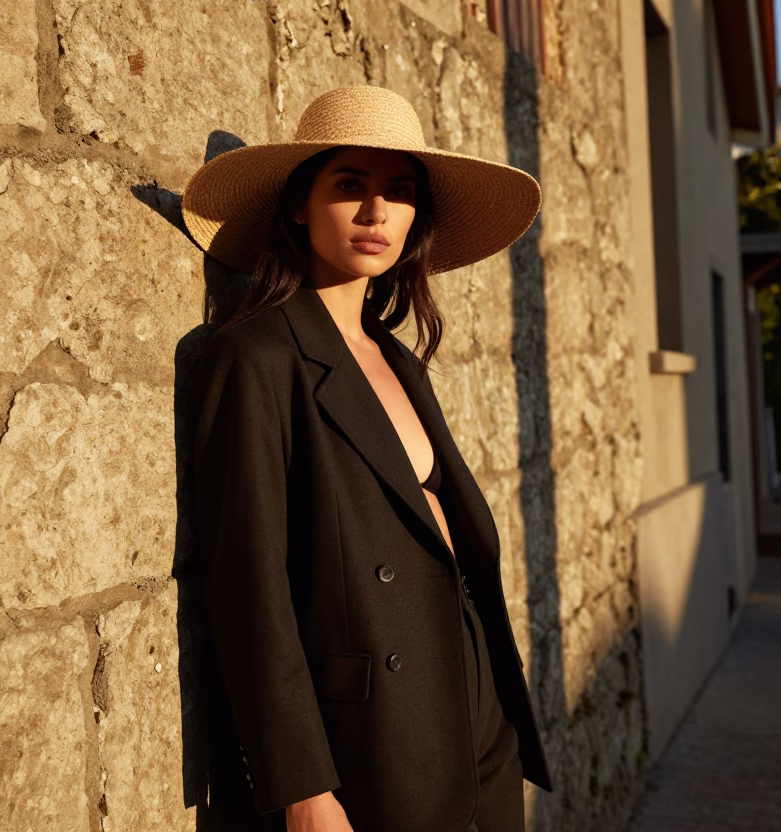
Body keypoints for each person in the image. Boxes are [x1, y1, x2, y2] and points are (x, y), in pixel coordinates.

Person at [185, 85, 553, 832]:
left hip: (475, 707)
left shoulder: (397, 358)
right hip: (373, 738)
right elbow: (248, 585)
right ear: (298, 204)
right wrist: (302, 786)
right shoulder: (254, 357)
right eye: (349, 184)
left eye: (399, 191)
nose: (376, 212)